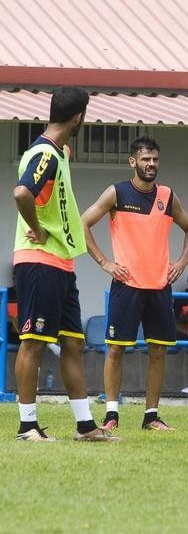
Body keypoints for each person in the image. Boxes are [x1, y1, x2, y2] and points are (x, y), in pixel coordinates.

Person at [12, 87, 118, 442]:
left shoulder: (57, 152)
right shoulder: (45, 153)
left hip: (61, 264)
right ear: (79, 117)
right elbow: (22, 192)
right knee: (34, 342)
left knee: (73, 343)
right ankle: (27, 426)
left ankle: (85, 426)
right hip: (40, 262)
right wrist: (37, 229)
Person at [81, 135, 188, 432]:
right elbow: (83, 223)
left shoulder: (167, 196)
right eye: (145, 159)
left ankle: (151, 416)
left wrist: (182, 262)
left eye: (155, 159)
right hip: (127, 286)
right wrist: (105, 263)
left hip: (159, 286)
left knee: (158, 351)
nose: (151, 164)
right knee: (116, 350)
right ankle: (111, 415)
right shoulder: (116, 193)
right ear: (133, 161)